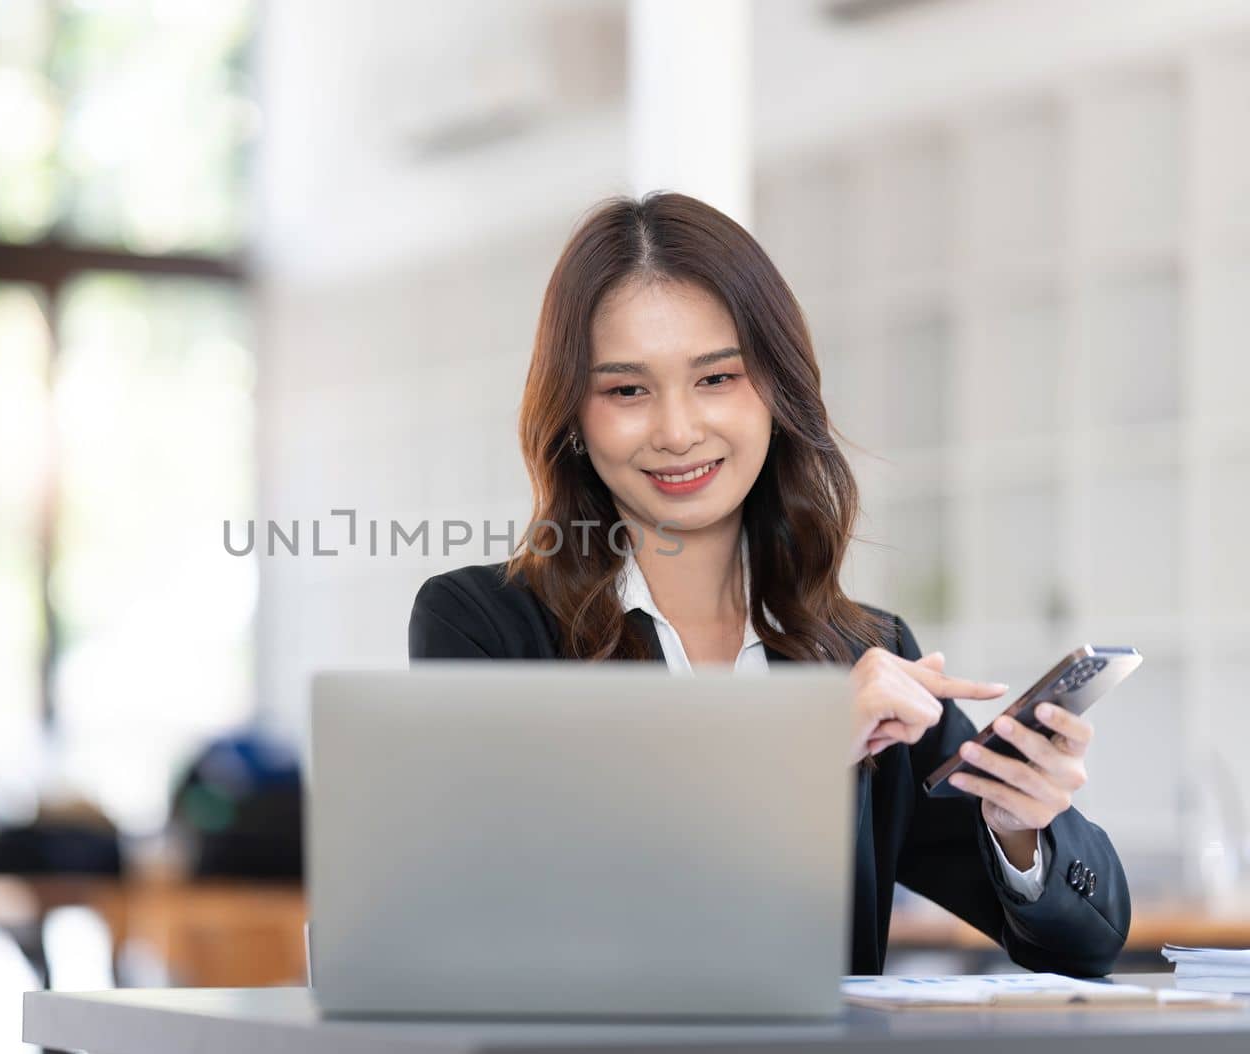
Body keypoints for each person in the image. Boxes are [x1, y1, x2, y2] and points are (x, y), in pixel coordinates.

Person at [407, 192, 1130, 977]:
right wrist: (796, 760)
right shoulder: (487, 627)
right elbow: (509, 916)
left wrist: (1020, 826)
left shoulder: (860, 654)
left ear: (776, 394)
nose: (678, 430)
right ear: (574, 416)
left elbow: (1083, 942)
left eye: (717, 377)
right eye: (627, 390)